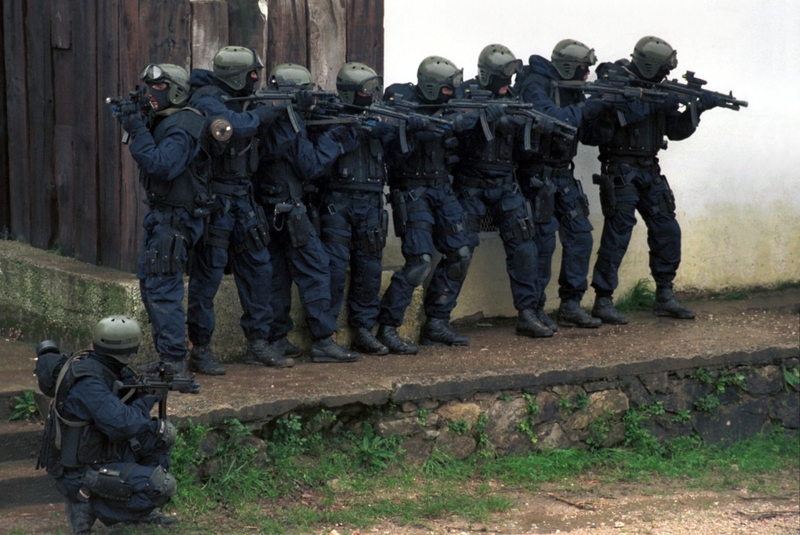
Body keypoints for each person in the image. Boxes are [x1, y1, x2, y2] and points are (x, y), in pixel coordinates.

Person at [588, 36, 720, 324]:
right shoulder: (615, 83)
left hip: (650, 170)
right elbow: (607, 124)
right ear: (648, 66)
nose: (666, 75)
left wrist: (697, 109)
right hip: (620, 170)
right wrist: (658, 102)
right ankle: (603, 299)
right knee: (617, 234)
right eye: (662, 69)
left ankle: (664, 295)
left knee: (667, 230)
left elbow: (675, 131)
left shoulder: (661, 90)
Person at [187, 46, 294, 369]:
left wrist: (289, 113)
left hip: (244, 199)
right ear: (236, 75)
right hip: (216, 200)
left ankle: (258, 342)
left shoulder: (248, 99)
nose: (255, 78)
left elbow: (269, 146)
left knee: (260, 270)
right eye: (251, 73)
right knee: (208, 276)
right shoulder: (206, 98)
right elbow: (236, 125)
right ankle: (201, 349)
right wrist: (266, 112)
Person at [113, 63, 218, 377]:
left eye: (158, 88)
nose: (151, 95)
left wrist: (139, 130)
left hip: (175, 221)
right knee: (151, 287)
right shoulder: (168, 119)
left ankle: (174, 364)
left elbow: (161, 166)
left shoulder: (183, 125)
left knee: (163, 291)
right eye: (149, 88)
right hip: (162, 218)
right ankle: (167, 359)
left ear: (176, 90)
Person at [254, 63, 360, 363]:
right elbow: (310, 165)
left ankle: (277, 337)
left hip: (271, 207)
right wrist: (336, 140)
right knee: (315, 270)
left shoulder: (266, 116)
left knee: (277, 275)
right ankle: (323, 340)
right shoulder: (286, 121)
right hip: (289, 210)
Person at [35, 316, 178, 534]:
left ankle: (136, 509)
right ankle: (86, 504)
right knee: (161, 486)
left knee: (162, 435)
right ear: (128, 349)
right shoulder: (88, 382)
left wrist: (147, 390)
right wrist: (149, 399)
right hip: (80, 470)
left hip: (101, 451)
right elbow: (123, 424)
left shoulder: (108, 368)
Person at [447, 44, 551, 339]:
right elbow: (452, 130)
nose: (507, 86)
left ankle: (529, 312)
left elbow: (524, 150)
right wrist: (485, 119)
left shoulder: (514, 98)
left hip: (506, 185)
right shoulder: (466, 95)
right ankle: (438, 318)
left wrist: (533, 127)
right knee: (460, 250)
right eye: (501, 80)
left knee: (525, 248)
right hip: (471, 186)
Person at [317, 62, 420, 355]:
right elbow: (316, 161)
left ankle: (363, 329)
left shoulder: (378, 118)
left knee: (369, 268)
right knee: (334, 269)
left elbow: (400, 155)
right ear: (350, 93)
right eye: (366, 90)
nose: (372, 95)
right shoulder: (330, 119)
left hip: (371, 204)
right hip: (338, 202)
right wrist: (348, 131)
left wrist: (404, 129)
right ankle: (325, 336)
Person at [376, 56, 473, 352]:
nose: (451, 94)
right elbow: (388, 137)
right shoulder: (401, 98)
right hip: (412, 190)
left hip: (442, 189)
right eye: (446, 89)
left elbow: (467, 118)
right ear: (431, 87)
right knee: (419, 262)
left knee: (461, 253)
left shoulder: (451, 104)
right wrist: (416, 129)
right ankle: (388, 328)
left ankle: (437, 321)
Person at [514, 40, 612, 330]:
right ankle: (534, 309)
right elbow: (554, 118)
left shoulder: (569, 86)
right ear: (570, 65)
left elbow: (591, 136)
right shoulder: (536, 83)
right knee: (542, 243)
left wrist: (607, 111)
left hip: (562, 174)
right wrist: (589, 105)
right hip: (537, 175)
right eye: (583, 68)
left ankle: (571, 304)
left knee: (581, 236)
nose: (586, 74)